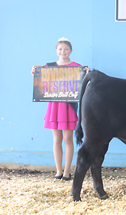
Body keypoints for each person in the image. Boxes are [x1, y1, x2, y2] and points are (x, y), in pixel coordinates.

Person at [31, 37, 88, 181]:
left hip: (68, 107)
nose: (63, 52)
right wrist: (34, 72)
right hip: (54, 106)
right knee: (56, 139)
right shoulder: (49, 67)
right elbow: (39, 78)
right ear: (56, 50)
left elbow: (83, 80)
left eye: (66, 49)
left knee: (68, 139)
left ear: (71, 51)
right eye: (60, 49)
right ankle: (58, 171)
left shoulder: (76, 66)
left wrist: (86, 72)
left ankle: (67, 171)